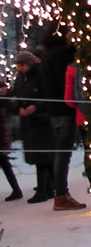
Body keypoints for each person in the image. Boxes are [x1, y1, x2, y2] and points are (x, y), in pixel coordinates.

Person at [41, 29, 86, 210]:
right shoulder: (62, 54)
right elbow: (67, 83)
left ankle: (59, 193)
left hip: (54, 108)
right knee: (63, 152)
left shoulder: (47, 53)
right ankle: (60, 194)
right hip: (65, 108)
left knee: (61, 152)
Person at [12, 51, 56, 204]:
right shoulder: (20, 78)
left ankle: (44, 189)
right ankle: (51, 187)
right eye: (18, 65)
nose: (20, 68)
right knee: (41, 157)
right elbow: (15, 97)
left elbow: (49, 96)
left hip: (42, 121)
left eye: (22, 65)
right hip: (28, 123)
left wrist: (36, 107)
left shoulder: (40, 75)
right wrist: (18, 108)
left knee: (43, 157)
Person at [0, 81, 22, 201]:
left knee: (3, 161)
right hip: (3, 129)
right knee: (4, 162)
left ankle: (16, 190)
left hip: (1, 130)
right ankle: (16, 189)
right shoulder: (4, 91)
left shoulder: (3, 91)